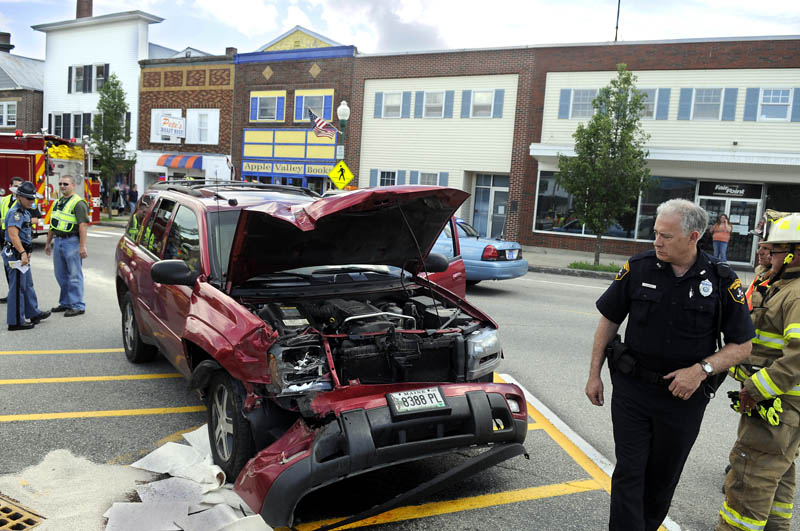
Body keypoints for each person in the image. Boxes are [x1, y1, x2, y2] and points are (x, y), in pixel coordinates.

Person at [585, 198, 755, 531]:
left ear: (693, 237)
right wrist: (594, 375)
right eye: (656, 233)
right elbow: (608, 321)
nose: (657, 241)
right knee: (630, 472)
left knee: (662, 479)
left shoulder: (721, 280)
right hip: (633, 389)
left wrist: (701, 370)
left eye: (666, 236)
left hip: (683, 399)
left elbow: (743, 345)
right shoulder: (639, 267)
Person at [717, 212, 800, 531]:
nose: (768, 255)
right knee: (778, 479)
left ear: (794, 254)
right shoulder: (781, 285)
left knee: (749, 480)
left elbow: (797, 356)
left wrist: (756, 388)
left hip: (777, 406)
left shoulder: (795, 293)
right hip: (784, 409)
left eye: (776, 250)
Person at [2, 181, 50, 331]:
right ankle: (15, 321)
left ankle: (32, 313)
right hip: (16, 254)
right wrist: (22, 252)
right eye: (29, 198)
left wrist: (27, 250)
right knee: (17, 289)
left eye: (33, 198)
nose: (32, 201)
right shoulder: (15, 213)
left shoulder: (25, 212)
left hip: (22, 253)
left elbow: (26, 234)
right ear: (19, 197)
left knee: (27, 285)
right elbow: (13, 235)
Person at [45, 175, 89, 317]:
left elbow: (83, 226)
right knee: (61, 274)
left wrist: (82, 246)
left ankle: (77, 305)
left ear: (73, 185)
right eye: (60, 184)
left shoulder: (78, 203)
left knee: (74, 275)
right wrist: (48, 243)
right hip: (58, 241)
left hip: (72, 242)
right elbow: (53, 224)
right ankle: (65, 303)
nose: (62, 186)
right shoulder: (57, 202)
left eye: (65, 184)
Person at [0, 176, 24, 303]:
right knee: (8, 267)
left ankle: (18, 296)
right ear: (10, 187)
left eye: (20, 186)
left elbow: (35, 218)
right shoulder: (3, 200)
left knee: (19, 270)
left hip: (18, 237)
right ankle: (12, 293)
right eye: (15, 186)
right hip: (4, 237)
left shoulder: (25, 201)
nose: (17, 189)